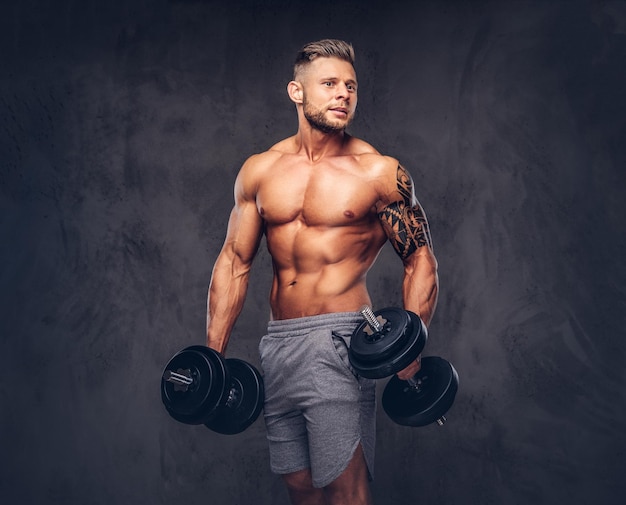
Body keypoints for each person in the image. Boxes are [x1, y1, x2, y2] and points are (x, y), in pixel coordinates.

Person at [206, 39, 438, 505]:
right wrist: (213, 359)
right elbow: (234, 260)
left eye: (350, 86)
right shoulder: (260, 171)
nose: (343, 95)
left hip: (340, 341)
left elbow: (421, 260)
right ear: (296, 91)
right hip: (278, 344)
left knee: (344, 491)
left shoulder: (377, 172)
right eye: (329, 84)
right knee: (301, 490)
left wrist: (410, 346)